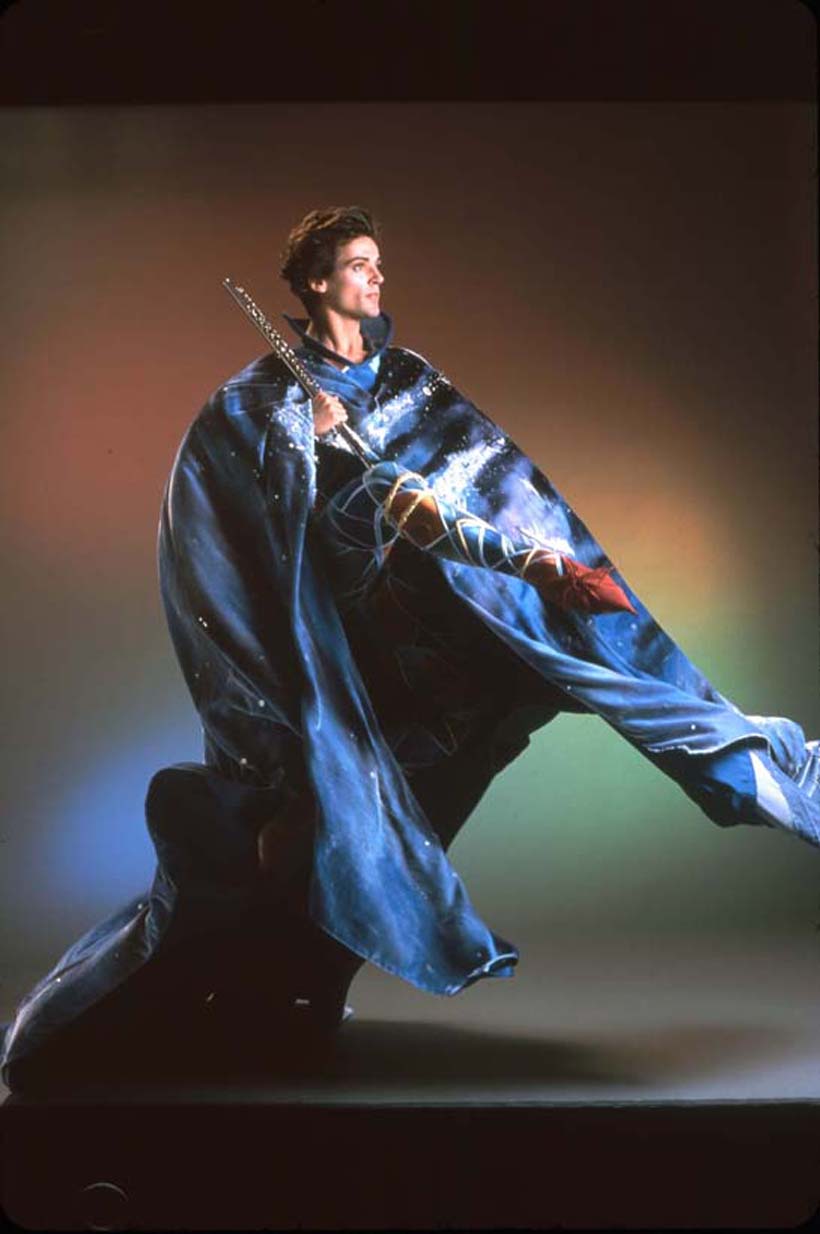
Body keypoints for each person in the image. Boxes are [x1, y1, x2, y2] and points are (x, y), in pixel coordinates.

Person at [2, 206, 818, 1092]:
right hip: (332, 655)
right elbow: (233, 541)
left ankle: (307, 982)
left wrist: (538, 565)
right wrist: (305, 446)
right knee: (312, 829)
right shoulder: (256, 404)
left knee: (480, 739)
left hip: (435, 640)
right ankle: (251, 992)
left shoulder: (409, 382)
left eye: (377, 262)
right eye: (359, 264)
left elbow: (460, 503)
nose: (376, 277)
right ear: (317, 281)